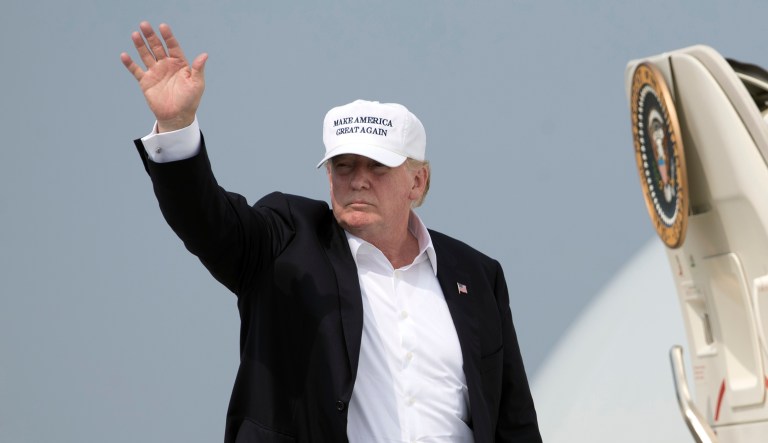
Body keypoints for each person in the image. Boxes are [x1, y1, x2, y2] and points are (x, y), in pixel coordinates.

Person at [121, 21, 542, 443]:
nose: (358, 180)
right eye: (344, 166)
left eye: (377, 166)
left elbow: (513, 421)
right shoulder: (285, 240)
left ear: (418, 182)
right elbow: (207, 221)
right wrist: (177, 127)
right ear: (328, 178)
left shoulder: (477, 275)